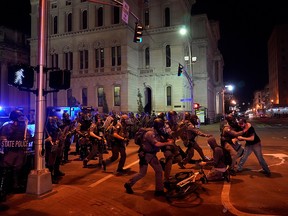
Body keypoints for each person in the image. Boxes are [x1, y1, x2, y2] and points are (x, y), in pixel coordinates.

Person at [124, 118, 174, 196]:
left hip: (152, 155)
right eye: (161, 126)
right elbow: (156, 144)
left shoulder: (157, 133)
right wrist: (167, 143)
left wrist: (168, 137)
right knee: (142, 173)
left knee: (159, 170)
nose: (162, 128)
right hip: (145, 155)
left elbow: (162, 139)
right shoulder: (150, 133)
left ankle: (159, 190)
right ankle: (128, 184)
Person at [0, 110, 33, 200]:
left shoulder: (23, 128)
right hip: (9, 152)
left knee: (17, 169)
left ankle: (14, 186)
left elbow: (28, 137)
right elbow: (2, 138)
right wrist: (5, 141)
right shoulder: (6, 127)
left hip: (19, 152)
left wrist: (29, 138)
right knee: (6, 171)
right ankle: (2, 191)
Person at [44, 116, 65, 184]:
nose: (53, 122)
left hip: (56, 144)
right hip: (49, 146)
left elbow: (58, 133)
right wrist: (47, 140)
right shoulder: (45, 129)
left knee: (58, 159)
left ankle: (56, 171)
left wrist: (58, 139)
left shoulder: (55, 127)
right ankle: (51, 176)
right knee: (50, 162)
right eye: (51, 121)